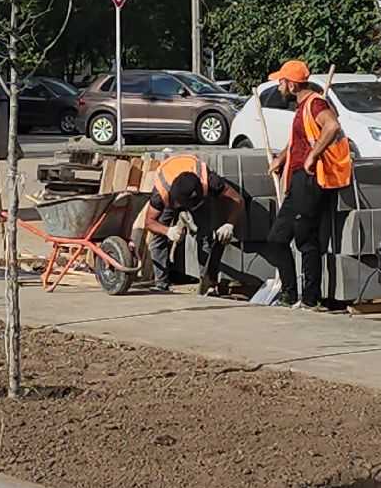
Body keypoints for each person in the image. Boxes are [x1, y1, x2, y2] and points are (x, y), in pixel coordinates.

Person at [265, 60, 351, 311]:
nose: (278, 86)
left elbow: (332, 126)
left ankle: (310, 299)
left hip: (311, 179)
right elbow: (298, 141)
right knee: (277, 239)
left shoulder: (316, 103)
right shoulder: (302, 108)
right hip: (296, 180)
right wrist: (281, 160)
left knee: (306, 240)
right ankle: (289, 294)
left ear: (291, 84)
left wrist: (313, 155)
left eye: (280, 82)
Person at [141, 153, 246, 295]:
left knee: (205, 237)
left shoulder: (210, 181)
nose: (192, 208)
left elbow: (238, 200)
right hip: (170, 193)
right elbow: (149, 222)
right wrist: (167, 231)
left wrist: (229, 224)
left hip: (197, 193)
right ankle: (161, 284)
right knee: (158, 239)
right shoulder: (161, 193)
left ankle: (208, 284)